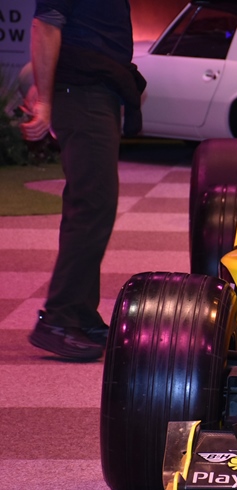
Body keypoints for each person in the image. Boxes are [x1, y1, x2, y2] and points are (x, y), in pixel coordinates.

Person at [20, 0, 145, 360]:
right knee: (93, 205)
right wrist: (45, 100)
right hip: (82, 92)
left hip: (94, 91)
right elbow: (45, 25)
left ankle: (79, 315)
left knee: (88, 205)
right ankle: (57, 320)